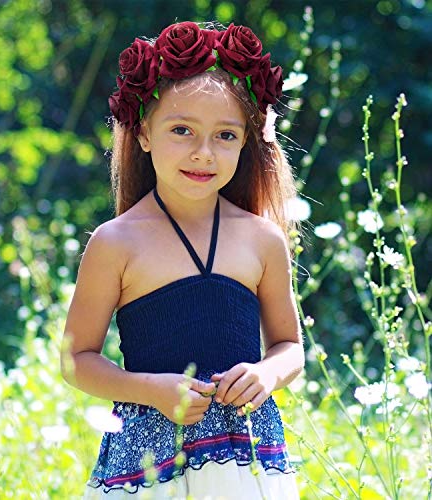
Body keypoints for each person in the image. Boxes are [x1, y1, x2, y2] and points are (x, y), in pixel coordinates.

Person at [61, 21, 305, 500]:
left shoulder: (262, 239)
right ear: (144, 133)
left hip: (247, 459)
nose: (203, 152)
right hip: (149, 465)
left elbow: (289, 346)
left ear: (247, 142)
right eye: (181, 130)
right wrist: (151, 390)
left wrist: (265, 374)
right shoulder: (115, 242)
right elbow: (76, 360)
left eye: (225, 136)